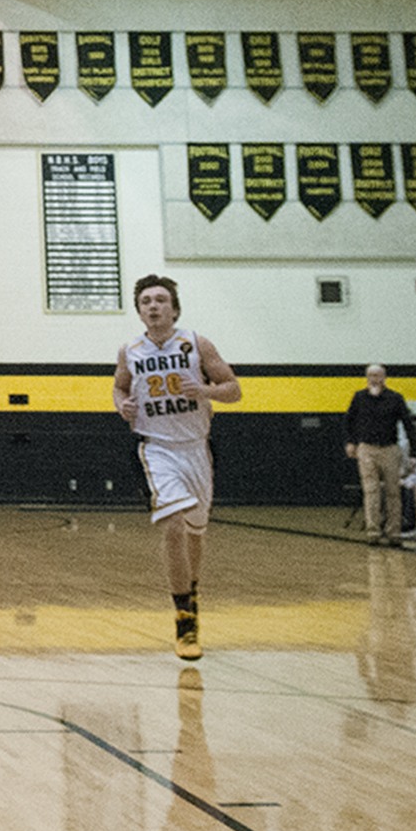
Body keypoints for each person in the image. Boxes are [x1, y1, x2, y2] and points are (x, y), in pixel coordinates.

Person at [113, 273, 241, 661]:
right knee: (172, 525)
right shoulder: (129, 351)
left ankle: (192, 595)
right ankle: (184, 620)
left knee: (194, 533)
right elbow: (119, 387)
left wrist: (205, 390)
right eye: (146, 301)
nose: (153, 306)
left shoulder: (196, 343)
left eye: (160, 300)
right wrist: (122, 405)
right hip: (157, 449)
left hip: (197, 449)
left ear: (174, 307)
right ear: (139, 311)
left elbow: (234, 389)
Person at [344, 364, 414, 546]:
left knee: (393, 492)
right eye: (371, 375)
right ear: (366, 378)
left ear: (384, 377)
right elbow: (349, 420)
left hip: (390, 448)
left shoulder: (395, 398)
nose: (374, 379)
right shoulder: (359, 397)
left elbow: (408, 424)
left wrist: (413, 453)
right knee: (371, 491)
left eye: (378, 375)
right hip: (367, 448)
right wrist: (351, 442)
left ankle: (394, 533)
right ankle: (373, 533)